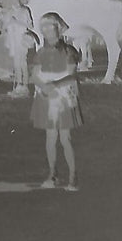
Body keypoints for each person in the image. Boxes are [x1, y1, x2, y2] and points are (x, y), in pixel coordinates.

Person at [31, 12, 83, 191]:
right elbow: (35, 76)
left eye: (50, 26)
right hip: (46, 97)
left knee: (65, 138)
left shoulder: (69, 52)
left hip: (63, 98)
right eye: (43, 26)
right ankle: (52, 174)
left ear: (58, 28)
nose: (46, 30)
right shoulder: (40, 53)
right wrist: (43, 86)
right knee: (50, 137)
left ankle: (73, 176)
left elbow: (72, 76)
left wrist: (54, 84)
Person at [1, 0, 37, 96]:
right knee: (16, 63)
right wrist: (7, 23)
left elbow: (30, 26)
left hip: (22, 39)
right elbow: (4, 27)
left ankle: (25, 86)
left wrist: (17, 23)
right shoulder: (9, 12)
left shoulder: (25, 10)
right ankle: (18, 85)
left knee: (22, 62)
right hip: (13, 39)